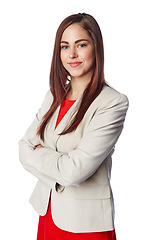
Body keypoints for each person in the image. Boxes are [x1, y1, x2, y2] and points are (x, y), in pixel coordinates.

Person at [19, 13, 129, 240]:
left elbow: (74, 172)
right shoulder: (53, 96)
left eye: (81, 45)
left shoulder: (111, 103)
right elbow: (23, 148)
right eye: (64, 46)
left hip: (85, 225)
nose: (72, 55)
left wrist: (40, 153)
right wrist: (61, 162)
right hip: (48, 215)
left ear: (95, 47)